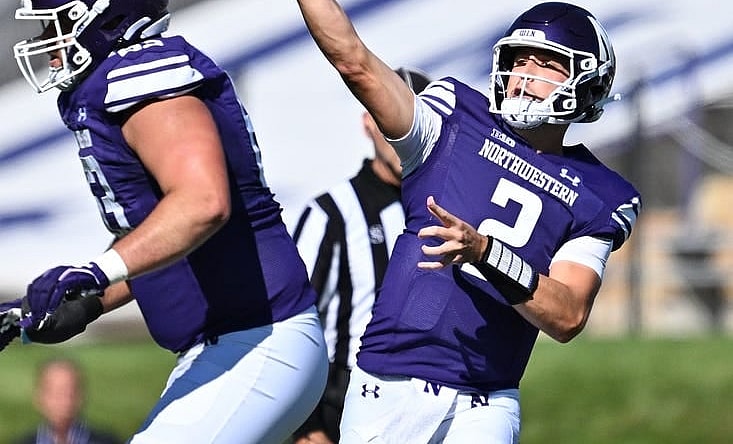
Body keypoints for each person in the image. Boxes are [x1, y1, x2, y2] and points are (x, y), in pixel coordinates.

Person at [295, 1, 642, 442]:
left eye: (548, 63)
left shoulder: (599, 193)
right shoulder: (453, 120)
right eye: (519, 61)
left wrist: (484, 252)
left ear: (588, 80)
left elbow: (568, 314)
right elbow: (354, 60)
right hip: (390, 385)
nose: (525, 75)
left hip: (488, 397)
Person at [9, 1, 329, 443]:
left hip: (257, 342)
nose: (47, 40)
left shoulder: (144, 73)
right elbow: (164, 240)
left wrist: (96, 272)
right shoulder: (122, 81)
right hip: (231, 348)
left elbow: (202, 203)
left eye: (56, 22)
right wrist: (87, 302)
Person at [291, 67, 433, 444]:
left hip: (427, 408)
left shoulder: (449, 214)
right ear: (369, 122)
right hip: (344, 408)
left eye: (417, 123)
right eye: (393, 120)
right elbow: (291, 324)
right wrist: (306, 425)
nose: (406, 137)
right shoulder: (331, 213)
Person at [15, 357, 122, 444]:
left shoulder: (106, 441)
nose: (65, 401)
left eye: (70, 392)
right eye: (57, 393)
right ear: (39, 396)